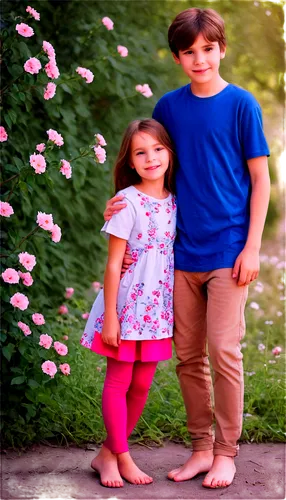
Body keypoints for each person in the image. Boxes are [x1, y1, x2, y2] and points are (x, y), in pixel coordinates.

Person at [103, 7, 270, 489]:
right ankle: (199, 448)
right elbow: (154, 171)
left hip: (228, 250)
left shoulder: (242, 105)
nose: (200, 59)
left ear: (221, 49)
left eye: (208, 49)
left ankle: (225, 451)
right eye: (189, 52)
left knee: (224, 350)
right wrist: (126, 213)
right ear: (177, 58)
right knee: (188, 357)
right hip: (178, 256)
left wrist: (253, 246)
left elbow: (261, 181)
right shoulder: (168, 109)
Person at [80, 118, 177, 488]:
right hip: (125, 307)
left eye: (157, 149)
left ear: (169, 152)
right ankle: (121, 455)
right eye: (141, 152)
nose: (150, 158)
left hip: (157, 310)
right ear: (130, 161)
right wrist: (111, 319)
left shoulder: (176, 202)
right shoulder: (126, 203)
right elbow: (112, 262)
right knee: (119, 380)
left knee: (142, 384)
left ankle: (106, 453)